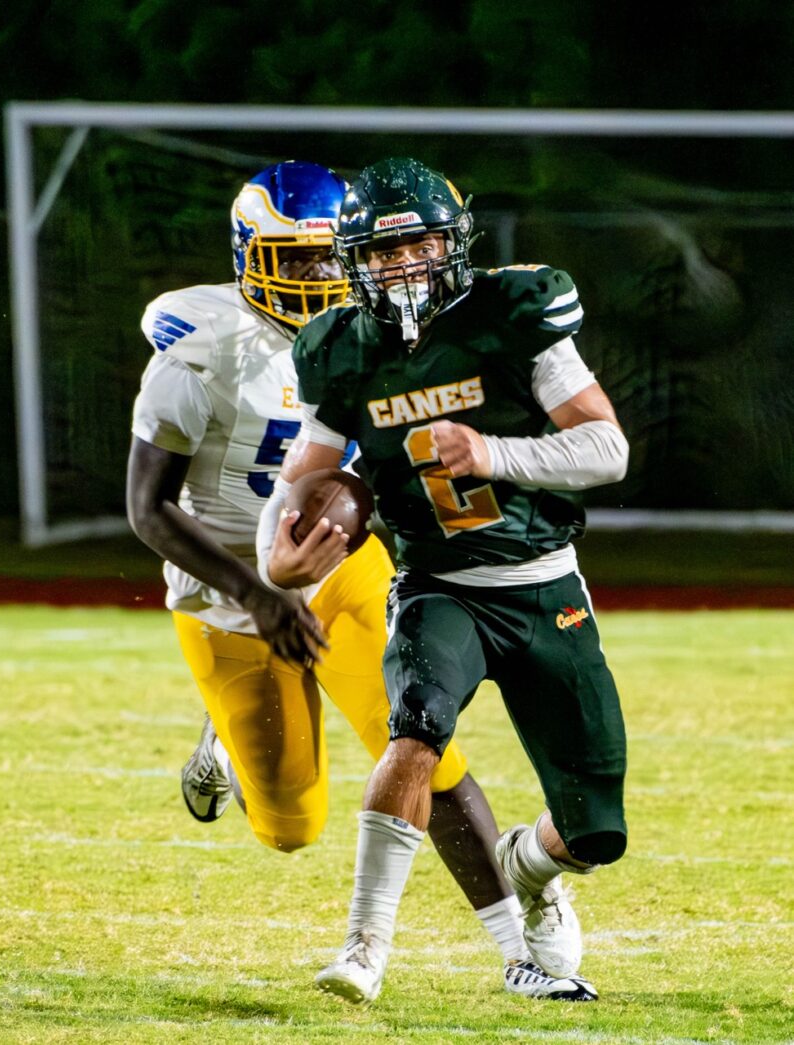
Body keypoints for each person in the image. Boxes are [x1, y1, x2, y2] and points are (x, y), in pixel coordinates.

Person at [126, 160, 597, 1003]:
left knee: (421, 741)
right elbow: (147, 510)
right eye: (291, 259)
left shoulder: (378, 333)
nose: (313, 278)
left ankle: (516, 946)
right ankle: (223, 743)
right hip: (228, 594)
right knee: (289, 825)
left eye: (322, 260)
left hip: (346, 568)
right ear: (250, 255)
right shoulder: (196, 355)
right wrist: (262, 593)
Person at [259, 156, 629, 1006]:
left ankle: (530, 867)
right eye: (381, 254)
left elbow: (608, 450)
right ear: (357, 262)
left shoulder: (513, 313)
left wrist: (494, 452)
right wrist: (279, 560)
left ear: (453, 243)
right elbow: (304, 483)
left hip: (543, 583)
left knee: (595, 828)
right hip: (437, 583)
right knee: (414, 734)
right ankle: (364, 947)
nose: (402, 268)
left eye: (418, 245)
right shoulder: (343, 349)